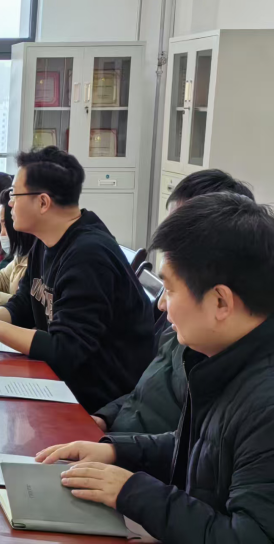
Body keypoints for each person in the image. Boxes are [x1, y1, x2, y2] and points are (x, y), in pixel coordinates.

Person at [35, 193, 274, 543]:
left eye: (171, 290)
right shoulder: (224, 358)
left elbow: (251, 536)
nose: (161, 305)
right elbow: (200, 449)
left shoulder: (265, 402)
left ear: (220, 302)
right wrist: (115, 451)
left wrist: (132, 491)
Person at [0, 146, 152, 413]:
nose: (9, 203)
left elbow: (65, 350)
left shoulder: (89, 255)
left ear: (43, 203)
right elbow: (24, 305)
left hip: (94, 406)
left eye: (14, 195)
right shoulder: (45, 241)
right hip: (59, 384)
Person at [91, 169, 256, 434]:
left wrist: (117, 452)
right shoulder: (182, 321)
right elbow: (146, 390)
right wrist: (104, 419)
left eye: (181, 234)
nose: (169, 242)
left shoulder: (215, 342)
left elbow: (189, 446)